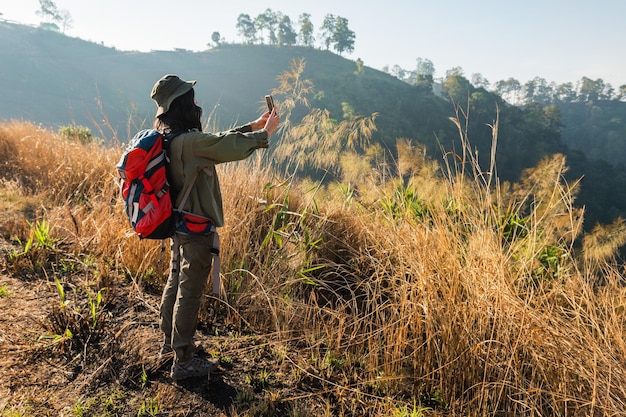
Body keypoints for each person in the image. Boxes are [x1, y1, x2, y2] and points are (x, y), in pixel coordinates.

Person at [150, 74, 280, 380]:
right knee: (190, 290)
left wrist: (253, 125)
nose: (197, 104)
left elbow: (217, 141)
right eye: (192, 100)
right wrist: (264, 134)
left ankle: (169, 345)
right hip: (195, 228)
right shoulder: (191, 143)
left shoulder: (170, 139)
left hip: (178, 223)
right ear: (182, 105)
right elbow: (227, 148)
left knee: (175, 281)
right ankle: (183, 360)